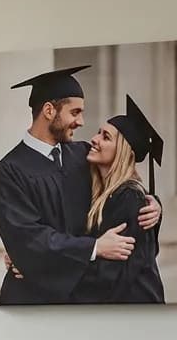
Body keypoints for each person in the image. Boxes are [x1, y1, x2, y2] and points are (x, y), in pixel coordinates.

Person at [0, 66, 161, 305]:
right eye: (75, 112)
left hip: (78, 296)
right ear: (49, 111)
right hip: (32, 300)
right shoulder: (8, 171)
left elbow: (121, 180)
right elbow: (31, 239)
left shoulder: (81, 154)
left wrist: (153, 204)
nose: (81, 122)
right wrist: (94, 247)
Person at [70, 96, 166, 303]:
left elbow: (110, 274)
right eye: (98, 133)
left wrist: (45, 275)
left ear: (122, 152)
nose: (94, 140)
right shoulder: (104, 192)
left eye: (106, 137)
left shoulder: (130, 198)